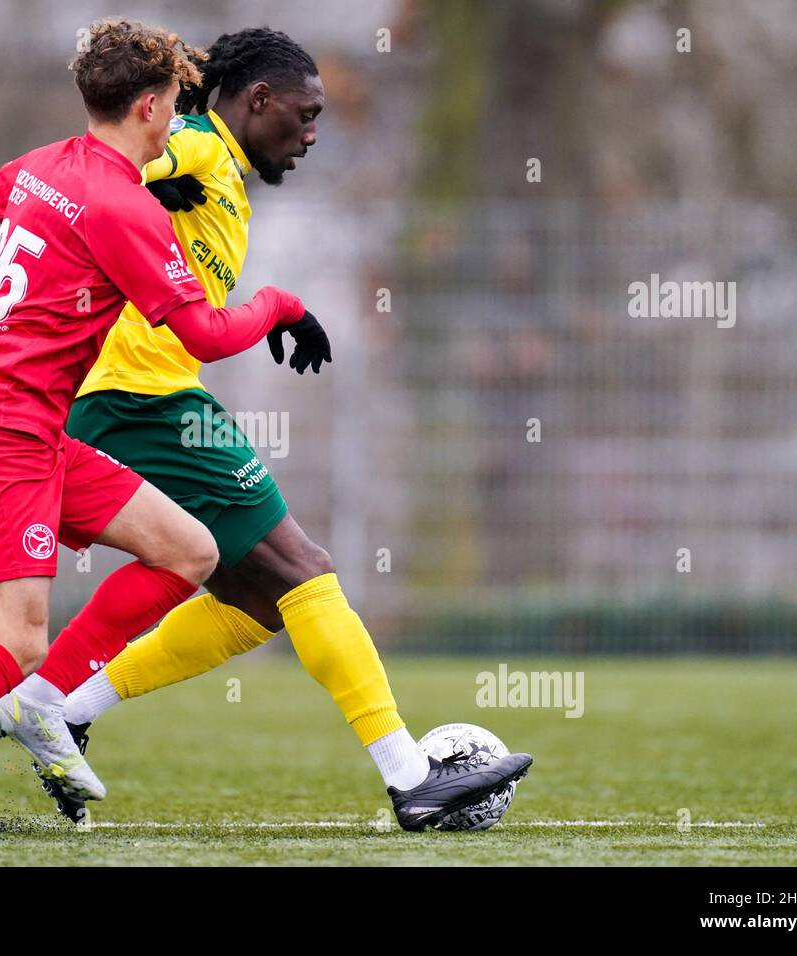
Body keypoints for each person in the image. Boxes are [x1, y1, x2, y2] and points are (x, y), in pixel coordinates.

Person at [0, 18, 331, 844]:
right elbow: (210, 337)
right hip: (0, 430)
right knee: (14, 641)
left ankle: (44, 708)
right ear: (150, 106)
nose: (180, 122)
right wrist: (283, 304)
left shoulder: (47, 166)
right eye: (176, 106)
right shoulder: (124, 206)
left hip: (24, 422)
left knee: (189, 550)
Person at [45, 28, 532, 833]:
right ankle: (412, 777)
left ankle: (68, 707)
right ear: (257, 99)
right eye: (303, 116)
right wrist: (138, 184)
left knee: (258, 601)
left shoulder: (216, 170)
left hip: (135, 399)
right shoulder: (197, 145)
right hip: (141, 400)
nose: (310, 136)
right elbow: (108, 166)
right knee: (305, 569)